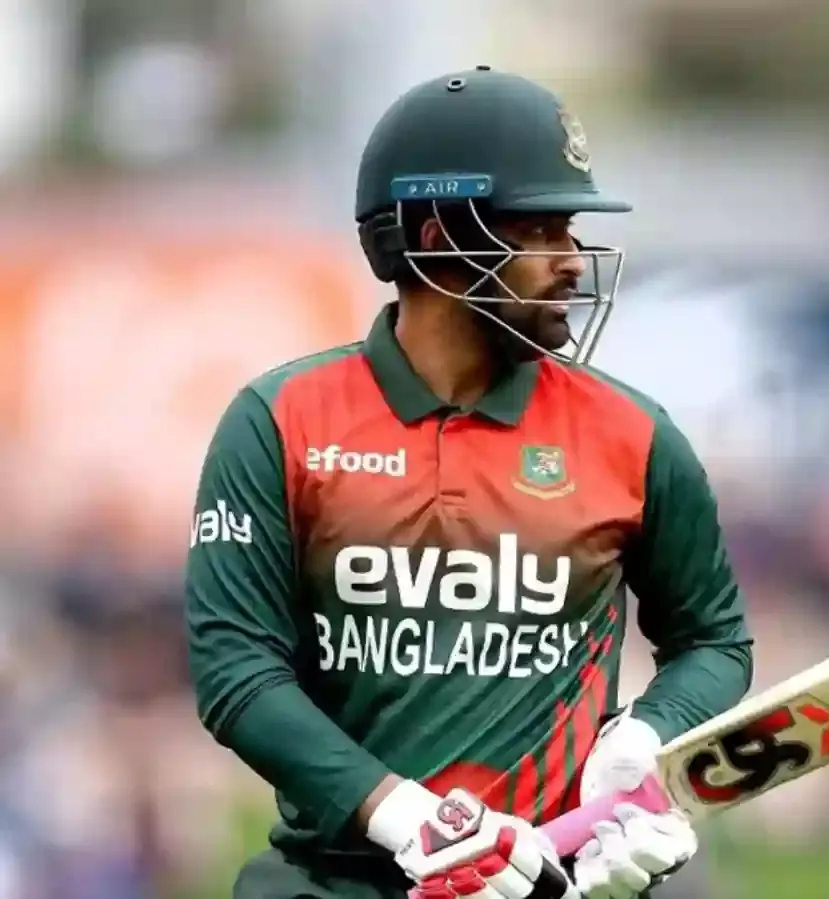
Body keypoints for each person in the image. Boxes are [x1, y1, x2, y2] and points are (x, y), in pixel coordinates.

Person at [184, 67, 755, 899]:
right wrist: (407, 817)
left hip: (541, 877)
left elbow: (714, 641)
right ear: (438, 236)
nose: (572, 262)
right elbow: (236, 670)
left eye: (570, 229)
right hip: (332, 881)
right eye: (541, 229)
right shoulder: (281, 420)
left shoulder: (632, 434)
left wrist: (644, 741)